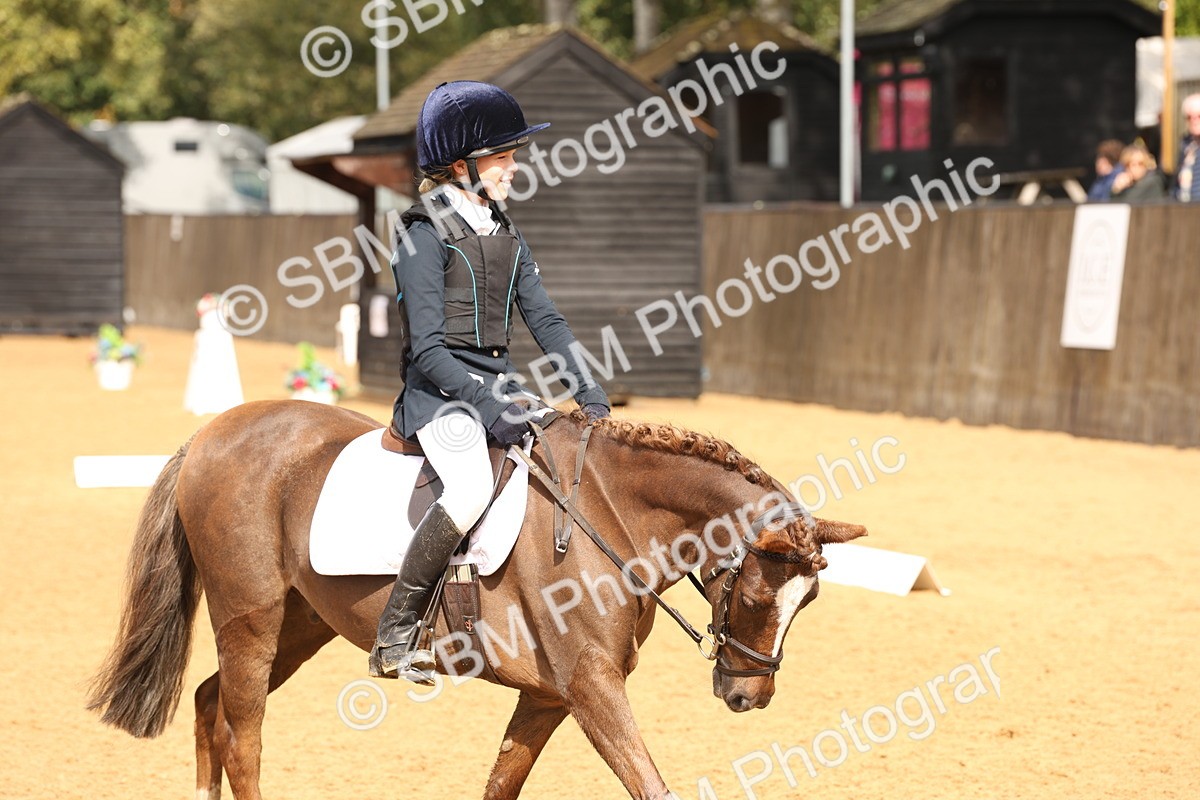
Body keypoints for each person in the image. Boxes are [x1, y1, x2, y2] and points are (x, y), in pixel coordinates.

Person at [369, 81, 611, 683]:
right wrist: (484, 402)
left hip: (497, 388)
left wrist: (589, 393)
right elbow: (426, 348)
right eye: (503, 155)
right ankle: (396, 637)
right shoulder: (421, 234)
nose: (514, 164)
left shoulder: (503, 230)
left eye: (511, 154)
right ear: (463, 166)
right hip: (438, 396)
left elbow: (546, 319)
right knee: (472, 484)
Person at [1176, 93, 1200, 202]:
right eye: (1189, 117)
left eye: (1199, 116)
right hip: (1186, 209)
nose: (1194, 121)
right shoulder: (1185, 144)